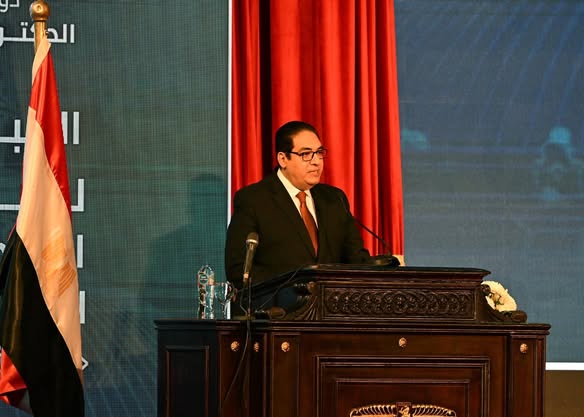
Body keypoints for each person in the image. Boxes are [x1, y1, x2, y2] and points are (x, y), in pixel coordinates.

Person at [225, 120, 372, 287]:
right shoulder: (254, 199)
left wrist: (386, 267)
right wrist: (293, 287)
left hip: (330, 302)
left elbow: (357, 260)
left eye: (319, 152)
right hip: (278, 302)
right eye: (306, 154)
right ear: (283, 159)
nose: (316, 161)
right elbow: (238, 270)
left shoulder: (335, 199)